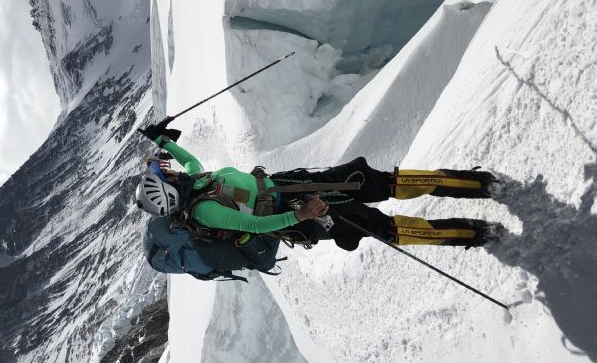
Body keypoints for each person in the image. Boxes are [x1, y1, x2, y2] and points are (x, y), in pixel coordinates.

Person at [135, 125, 502, 251]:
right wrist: (303, 213)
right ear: (168, 192)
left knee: (372, 181)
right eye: (164, 176)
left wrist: (163, 140)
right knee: (376, 224)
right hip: (299, 217)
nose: (170, 172)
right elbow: (255, 226)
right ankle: (471, 233)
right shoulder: (203, 210)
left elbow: (190, 160)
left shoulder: (197, 182)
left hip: (288, 187)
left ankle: (472, 184)